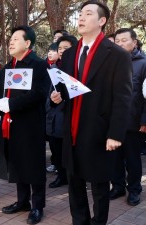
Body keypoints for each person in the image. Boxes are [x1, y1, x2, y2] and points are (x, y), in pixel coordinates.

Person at [50, 1, 132, 224]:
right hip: (72, 128)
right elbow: (67, 87)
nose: (81, 18)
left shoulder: (116, 55)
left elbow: (123, 98)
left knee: (98, 185)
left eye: (88, 14)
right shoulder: (69, 54)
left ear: (102, 21)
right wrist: (58, 96)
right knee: (74, 183)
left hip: (99, 129)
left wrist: (115, 133)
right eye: (80, 14)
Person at [0, 25, 50, 224]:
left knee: (34, 165)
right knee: (17, 162)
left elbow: (38, 94)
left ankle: (37, 206)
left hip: (31, 124)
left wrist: (12, 104)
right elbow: (3, 91)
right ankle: (22, 201)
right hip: (11, 122)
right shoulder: (9, 66)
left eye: (15, 39)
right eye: (10, 39)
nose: (11, 42)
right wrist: (1, 103)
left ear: (27, 43)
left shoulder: (38, 64)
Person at [110, 28, 146, 206]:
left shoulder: (143, 64)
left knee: (132, 158)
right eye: (117, 41)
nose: (120, 44)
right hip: (113, 120)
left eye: (124, 40)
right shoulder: (111, 63)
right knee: (114, 157)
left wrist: (144, 120)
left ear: (135, 42)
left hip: (133, 121)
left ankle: (134, 190)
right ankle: (117, 187)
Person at [46, 35, 78, 189]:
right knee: (55, 148)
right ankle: (61, 175)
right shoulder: (54, 69)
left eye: (67, 48)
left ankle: (72, 177)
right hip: (54, 115)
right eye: (60, 48)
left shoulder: (79, 67)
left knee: (70, 150)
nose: (62, 51)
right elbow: (50, 93)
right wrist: (52, 102)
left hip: (70, 116)